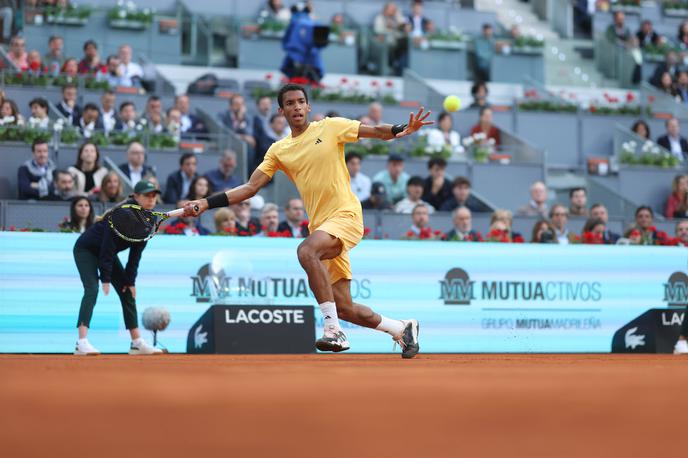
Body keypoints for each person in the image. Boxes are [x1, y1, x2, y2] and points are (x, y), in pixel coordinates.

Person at [183, 83, 430, 357]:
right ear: (281, 111)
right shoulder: (279, 150)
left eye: (301, 101)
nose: (297, 107)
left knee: (306, 250)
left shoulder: (331, 127)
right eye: (290, 103)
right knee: (345, 306)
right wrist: (206, 202)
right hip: (322, 226)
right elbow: (250, 188)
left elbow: (373, 131)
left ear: (308, 106)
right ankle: (401, 328)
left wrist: (400, 130)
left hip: (346, 215)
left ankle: (333, 331)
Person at [72, 180, 163, 355]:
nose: (151, 199)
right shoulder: (122, 214)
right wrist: (105, 278)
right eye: (147, 195)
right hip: (87, 249)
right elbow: (107, 246)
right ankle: (81, 342)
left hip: (107, 254)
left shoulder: (149, 220)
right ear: (136, 197)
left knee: (127, 291)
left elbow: (135, 254)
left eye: (154, 195)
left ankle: (136, 343)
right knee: (92, 289)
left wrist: (130, 281)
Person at [373, 2, 410, 76]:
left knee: (407, 43)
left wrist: (398, 17)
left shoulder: (397, 18)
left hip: (397, 43)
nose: (393, 11)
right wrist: (388, 27)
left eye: (395, 9)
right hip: (385, 43)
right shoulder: (380, 18)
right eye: (391, 9)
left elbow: (407, 29)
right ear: (386, 9)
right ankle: (394, 66)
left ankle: (400, 67)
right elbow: (378, 33)